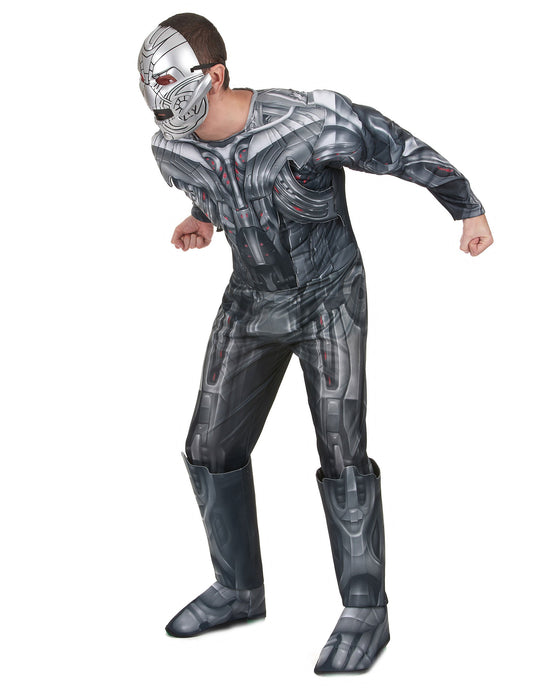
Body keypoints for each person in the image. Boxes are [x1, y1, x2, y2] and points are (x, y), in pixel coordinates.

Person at [138, 12, 493, 674]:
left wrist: (465, 207)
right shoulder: (171, 150)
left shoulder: (311, 119)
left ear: (215, 75)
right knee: (209, 447)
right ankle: (238, 589)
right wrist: (201, 218)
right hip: (250, 300)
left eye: (169, 83)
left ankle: (364, 608)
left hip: (330, 298)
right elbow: (218, 185)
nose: (161, 100)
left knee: (340, 447)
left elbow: (399, 147)